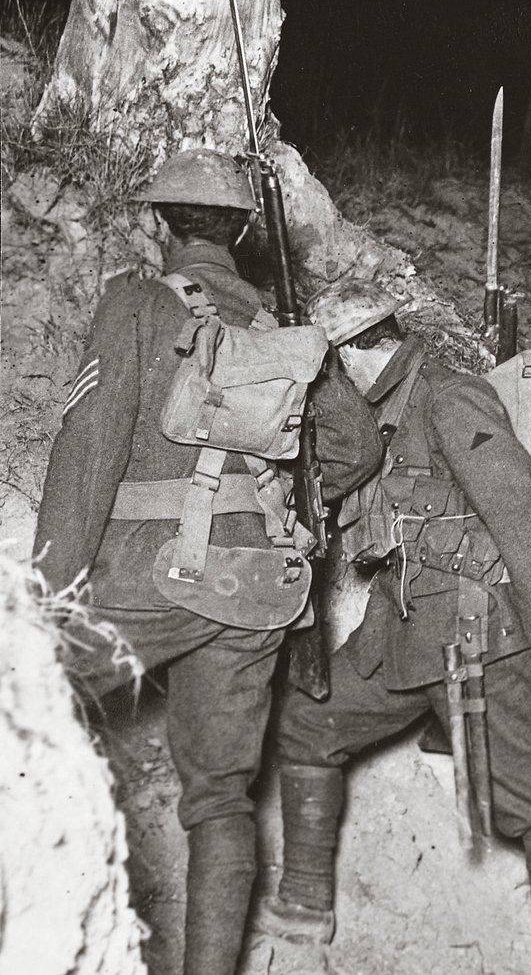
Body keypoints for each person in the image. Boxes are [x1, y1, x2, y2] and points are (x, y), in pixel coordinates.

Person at [32, 148, 381, 975]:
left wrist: (43, 598)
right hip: (256, 587)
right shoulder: (281, 326)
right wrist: (279, 506)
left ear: (159, 223)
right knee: (221, 796)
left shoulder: (137, 303)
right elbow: (358, 449)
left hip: (146, 579)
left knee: (25, 708)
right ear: (241, 231)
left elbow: (86, 452)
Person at [258, 278, 531, 975]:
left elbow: (524, 510)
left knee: (526, 799)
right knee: (308, 725)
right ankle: (305, 904)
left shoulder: (447, 396)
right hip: (404, 633)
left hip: (479, 636)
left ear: (350, 355)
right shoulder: (387, 411)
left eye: (327, 368)